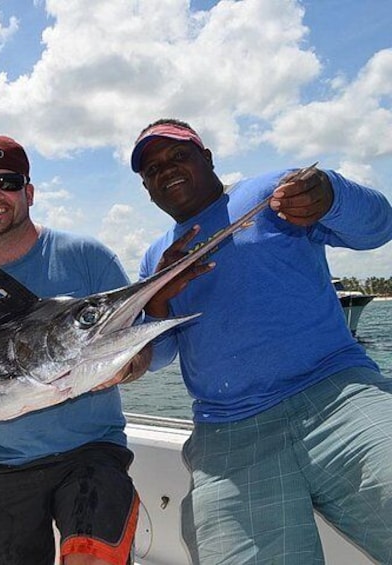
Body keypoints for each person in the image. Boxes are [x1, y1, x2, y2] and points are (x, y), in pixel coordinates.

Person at [132, 118, 392, 564]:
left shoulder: (270, 191)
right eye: (152, 169)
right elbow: (158, 357)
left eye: (178, 155)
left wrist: (330, 193)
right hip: (228, 434)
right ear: (147, 189)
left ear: (207, 158)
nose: (167, 170)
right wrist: (156, 300)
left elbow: (379, 228)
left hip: (340, 396)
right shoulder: (155, 258)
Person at [0, 135, 148, 565]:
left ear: (28, 192)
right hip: (1, 464)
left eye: (7, 182)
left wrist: (128, 366)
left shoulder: (88, 257)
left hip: (91, 452)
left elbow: (141, 349)